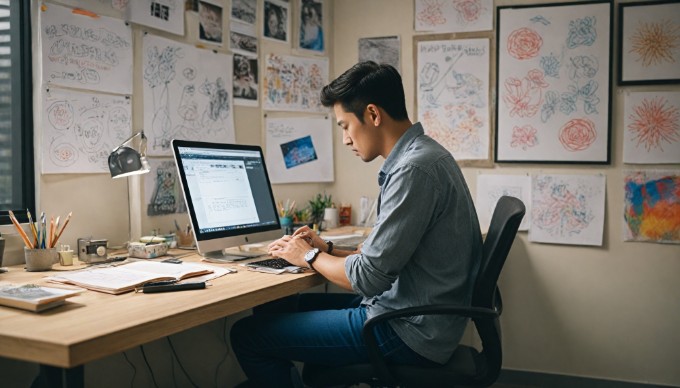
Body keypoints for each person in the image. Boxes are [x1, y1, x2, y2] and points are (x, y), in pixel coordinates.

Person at [230, 61, 483, 387]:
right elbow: (380, 254)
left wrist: (307, 256)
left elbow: (367, 278)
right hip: (413, 311)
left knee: (248, 335)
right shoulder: (424, 156)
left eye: (345, 126)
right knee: (274, 310)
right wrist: (328, 248)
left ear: (373, 115)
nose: (346, 139)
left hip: (409, 330)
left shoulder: (413, 170)